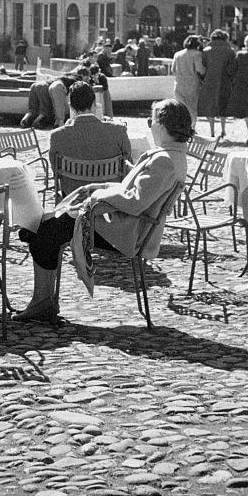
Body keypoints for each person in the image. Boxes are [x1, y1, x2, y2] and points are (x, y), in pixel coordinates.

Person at [14, 97, 192, 322]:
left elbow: (134, 201)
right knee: (46, 229)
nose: (150, 125)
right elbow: (135, 193)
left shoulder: (164, 160)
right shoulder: (173, 156)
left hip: (125, 233)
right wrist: (103, 186)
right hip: (124, 225)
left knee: (44, 232)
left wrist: (98, 194)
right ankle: (43, 299)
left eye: (151, 121)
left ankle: (42, 302)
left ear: (163, 125)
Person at [49, 81, 132, 194]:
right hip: (108, 193)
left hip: (73, 193)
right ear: (94, 104)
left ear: (71, 107)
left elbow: (56, 171)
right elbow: (127, 162)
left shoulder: (56, 136)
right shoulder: (118, 130)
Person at [197, 29, 234, 139]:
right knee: (223, 106)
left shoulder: (206, 51)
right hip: (225, 81)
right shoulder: (230, 51)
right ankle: (223, 130)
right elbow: (232, 68)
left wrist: (203, 78)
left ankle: (212, 131)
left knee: (210, 106)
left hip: (209, 81)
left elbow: (203, 67)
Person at [171, 35, 205, 125]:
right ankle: (192, 128)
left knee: (180, 109)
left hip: (178, 85)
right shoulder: (197, 54)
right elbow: (200, 70)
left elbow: (173, 70)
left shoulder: (177, 54)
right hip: (192, 85)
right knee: (192, 110)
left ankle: (182, 128)